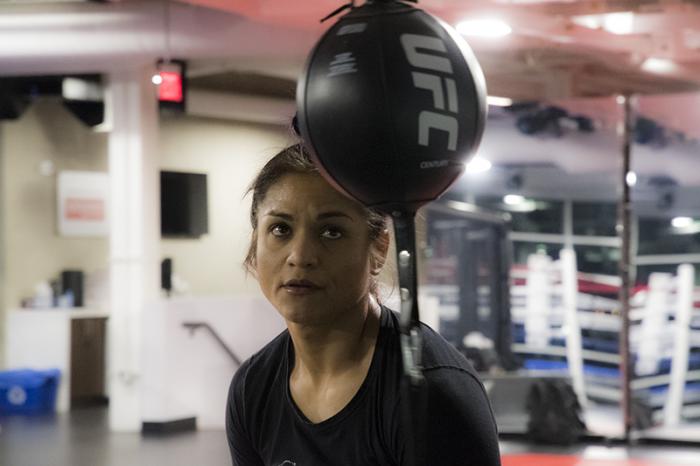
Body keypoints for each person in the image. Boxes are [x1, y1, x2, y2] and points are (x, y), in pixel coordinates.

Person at [226, 143, 501, 466]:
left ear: (379, 248)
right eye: (280, 229)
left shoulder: (432, 392)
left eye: (331, 231)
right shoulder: (252, 389)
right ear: (256, 243)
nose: (300, 256)